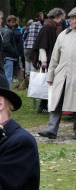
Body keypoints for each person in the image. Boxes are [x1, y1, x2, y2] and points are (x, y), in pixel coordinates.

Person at [38, 8, 76, 140]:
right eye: (71, 18)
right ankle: (51, 130)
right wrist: (51, 75)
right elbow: (55, 57)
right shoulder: (63, 35)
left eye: (75, 18)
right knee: (56, 102)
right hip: (62, 74)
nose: (73, 21)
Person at [31, 8, 66, 114]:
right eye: (61, 18)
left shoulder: (54, 27)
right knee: (49, 83)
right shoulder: (48, 28)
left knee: (49, 84)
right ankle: (46, 106)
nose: (62, 20)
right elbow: (42, 46)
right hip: (47, 60)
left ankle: (43, 106)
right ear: (57, 16)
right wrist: (44, 61)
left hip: (51, 58)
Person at [1, 16, 20, 86]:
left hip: (7, 55)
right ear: (7, 22)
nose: (14, 24)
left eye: (14, 22)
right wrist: (13, 51)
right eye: (12, 22)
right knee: (8, 76)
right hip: (8, 56)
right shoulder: (8, 31)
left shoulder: (5, 30)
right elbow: (6, 43)